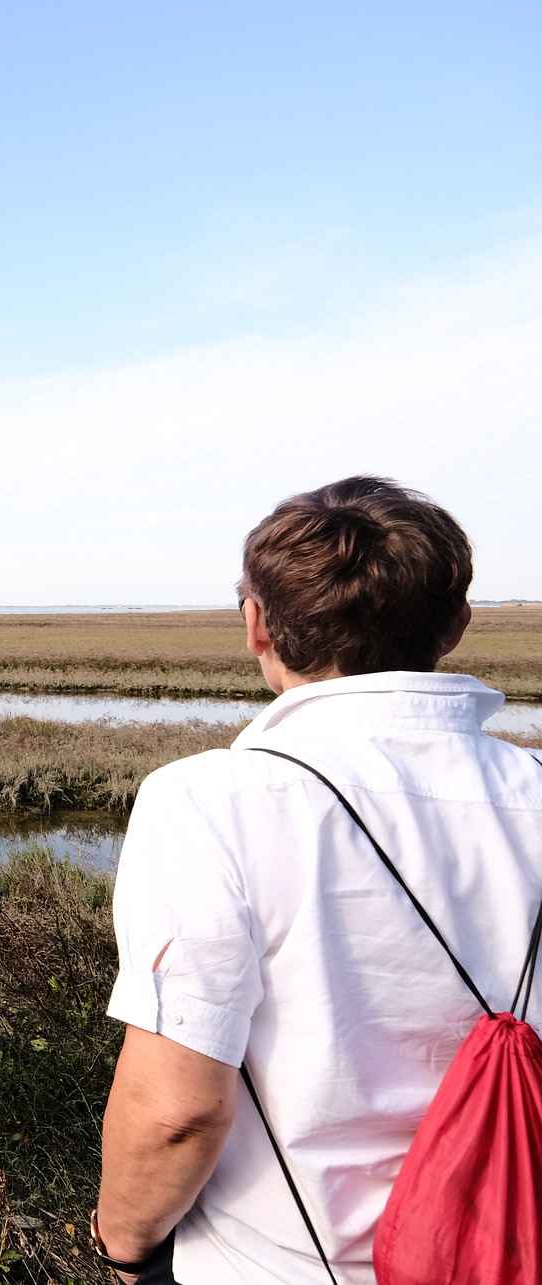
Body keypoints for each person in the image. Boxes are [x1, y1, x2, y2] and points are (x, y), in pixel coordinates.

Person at [92, 477, 542, 1284]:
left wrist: (122, 1247)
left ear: (257, 624)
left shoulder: (211, 800)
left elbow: (177, 1110)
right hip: (518, 1244)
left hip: (284, 1263)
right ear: (457, 624)